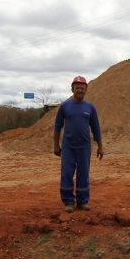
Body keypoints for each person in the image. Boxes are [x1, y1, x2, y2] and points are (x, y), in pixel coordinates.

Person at [53, 75, 104, 212]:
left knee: (83, 174)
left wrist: (100, 146)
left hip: (84, 146)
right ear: (72, 89)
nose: (80, 90)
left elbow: (95, 128)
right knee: (67, 174)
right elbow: (57, 127)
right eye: (77, 88)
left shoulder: (90, 108)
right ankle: (68, 201)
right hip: (68, 146)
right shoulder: (64, 106)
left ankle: (82, 201)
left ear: (86, 89)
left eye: (82, 88)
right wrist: (56, 145)